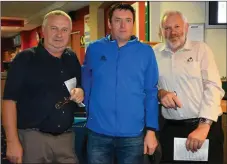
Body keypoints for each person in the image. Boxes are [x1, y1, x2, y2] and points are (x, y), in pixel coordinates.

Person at [2, 10, 84, 164]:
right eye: (54, 28)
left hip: (66, 139)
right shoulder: (25, 58)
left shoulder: (71, 58)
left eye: (64, 30)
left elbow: (78, 85)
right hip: (33, 140)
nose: (59, 34)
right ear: (43, 31)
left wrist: (79, 91)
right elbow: (9, 101)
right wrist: (12, 142)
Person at [82, 3, 159, 164]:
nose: (123, 25)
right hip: (98, 133)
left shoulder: (146, 52)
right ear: (110, 23)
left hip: (132, 135)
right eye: (117, 20)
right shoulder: (94, 49)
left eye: (128, 20)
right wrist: (91, 115)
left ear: (133, 23)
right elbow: (86, 86)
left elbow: (151, 92)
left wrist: (151, 130)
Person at [153, 11, 225, 164]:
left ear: (186, 27)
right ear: (161, 31)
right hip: (172, 129)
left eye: (177, 26)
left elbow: (213, 87)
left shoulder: (201, 50)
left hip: (205, 127)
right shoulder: (154, 54)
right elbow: (148, 87)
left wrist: (203, 127)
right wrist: (161, 93)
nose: (172, 32)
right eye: (167, 28)